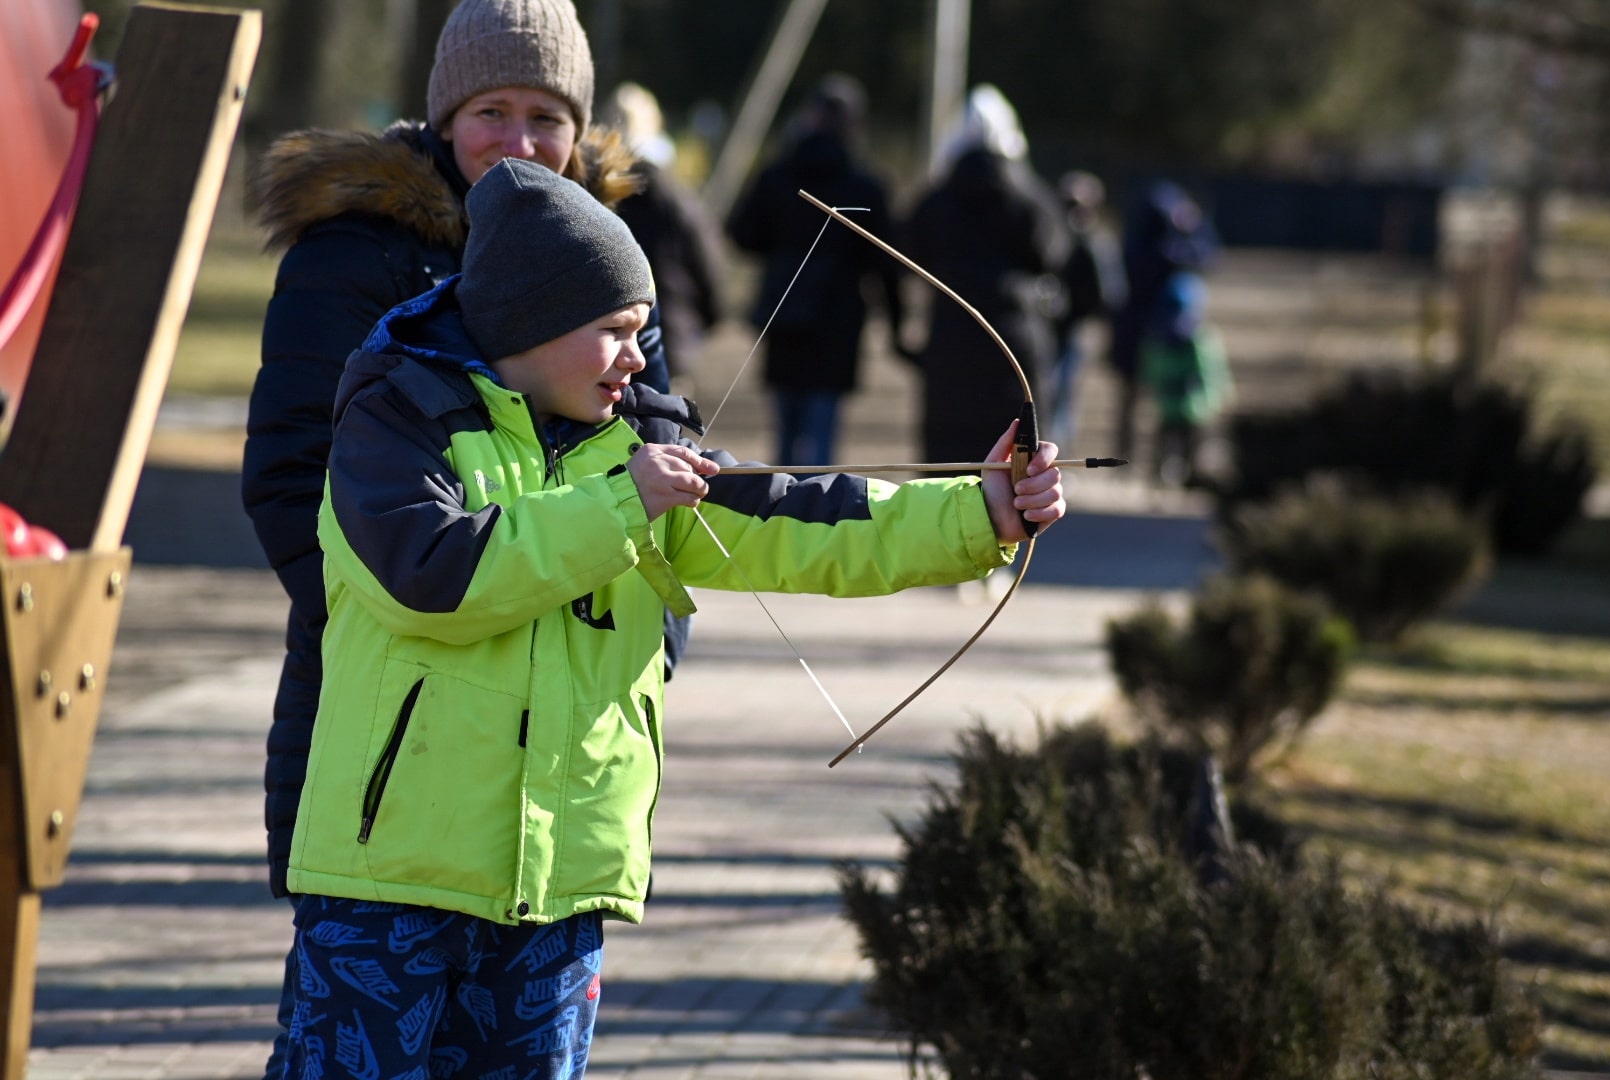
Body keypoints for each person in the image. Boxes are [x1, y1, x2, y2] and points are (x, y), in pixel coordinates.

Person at [281, 157, 1066, 1077]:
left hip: (558, 897)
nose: (635, 357)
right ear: (533, 319)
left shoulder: (642, 451)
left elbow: (805, 522)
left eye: (641, 333)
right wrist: (624, 505)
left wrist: (979, 514)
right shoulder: (398, 416)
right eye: (613, 331)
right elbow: (435, 574)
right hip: (388, 886)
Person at [240, 0, 671, 1073]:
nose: (520, 143)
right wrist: (394, 604)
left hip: (555, 739)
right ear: (443, 115)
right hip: (391, 694)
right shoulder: (354, 256)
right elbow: (293, 474)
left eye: (544, 116)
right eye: (492, 111)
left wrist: (640, 638)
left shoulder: (606, 263)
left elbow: (661, 462)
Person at [726, 73, 904, 467]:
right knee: (822, 434)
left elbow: (740, 232)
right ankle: (818, 514)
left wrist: (782, 251)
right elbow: (886, 263)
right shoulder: (865, 185)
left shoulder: (777, 176)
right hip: (837, 323)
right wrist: (897, 327)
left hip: (784, 314)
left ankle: (781, 513)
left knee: (785, 434)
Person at [904, 84, 1070, 468]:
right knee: (1014, 471)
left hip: (950, 348)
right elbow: (1054, 252)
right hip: (1013, 350)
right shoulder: (1028, 199)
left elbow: (910, 250)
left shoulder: (935, 201)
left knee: (947, 472)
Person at [602, 81, 726, 389]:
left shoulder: (590, 194)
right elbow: (706, 260)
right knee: (668, 433)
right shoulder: (673, 195)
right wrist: (706, 317)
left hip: (602, 348)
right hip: (670, 338)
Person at [1108, 180, 1220, 461]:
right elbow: (1206, 255)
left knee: (1136, 400)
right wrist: (1191, 225)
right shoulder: (1168, 251)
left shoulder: (1132, 246)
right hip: (1155, 337)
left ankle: (1131, 458)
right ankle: (1155, 460)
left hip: (1139, 334)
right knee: (1161, 401)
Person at [1049, 170, 1126, 448]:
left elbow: (1111, 294)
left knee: (1063, 395)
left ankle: (1056, 460)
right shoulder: (1052, 237)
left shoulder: (1097, 242)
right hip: (1049, 329)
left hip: (1077, 331)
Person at [1141, 270, 1230, 486]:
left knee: (1192, 446)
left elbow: (1210, 376)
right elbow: (1151, 372)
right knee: (1166, 443)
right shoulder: (1162, 339)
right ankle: (1161, 478)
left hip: (1194, 408)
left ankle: (1189, 478)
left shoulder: (1200, 341)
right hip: (1174, 406)